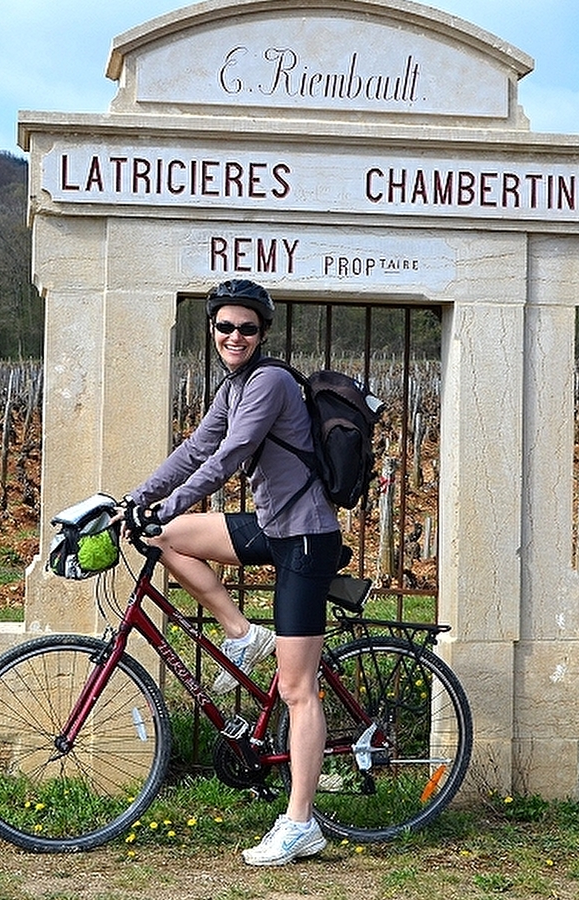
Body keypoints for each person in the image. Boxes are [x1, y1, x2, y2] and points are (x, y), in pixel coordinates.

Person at [123, 278, 343, 867]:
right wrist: (135, 501)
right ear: (212, 329)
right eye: (225, 326)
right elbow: (197, 448)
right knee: (158, 537)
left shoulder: (268, 381)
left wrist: (169, 502)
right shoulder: (235, 384)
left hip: (304, 538)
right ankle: (243, 634)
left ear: (262, 333)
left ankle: (301, 824)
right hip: (272, 526)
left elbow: (232, 455)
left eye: (247, 327)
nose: (234, 336)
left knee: (297, 690)